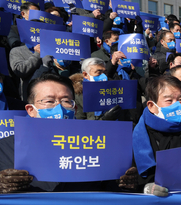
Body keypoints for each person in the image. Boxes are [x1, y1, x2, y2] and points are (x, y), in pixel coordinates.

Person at [0, 73, 137, 193]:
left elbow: (111, 195)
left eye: (66, 101)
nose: (59, 107)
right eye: (49, 101)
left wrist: (124, 184)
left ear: (75, 109)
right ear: (31, 110)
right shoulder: (4, 148)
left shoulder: (97, 147)